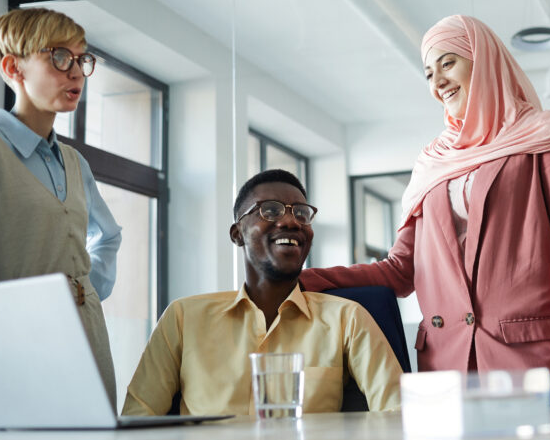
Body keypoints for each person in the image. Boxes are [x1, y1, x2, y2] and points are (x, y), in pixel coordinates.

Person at [300, 14, 550, 373]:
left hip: (532, 358)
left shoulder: (547, 138)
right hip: (444, 364)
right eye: (429, 73)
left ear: (483, 60)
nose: (438, 82)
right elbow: (398, 271)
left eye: (448, 63)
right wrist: (302, 280)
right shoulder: (433, 162)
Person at [0, 7, 123, 424]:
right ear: (13, 67)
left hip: (91, 344)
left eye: (81, 59)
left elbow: (108, 236)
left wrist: (84, 290)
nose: (76, 73)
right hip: (18, 348)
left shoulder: (74, 161)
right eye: (60, 57)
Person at [122, 169, 402, 416]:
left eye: (301, 213)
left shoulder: (347, 319)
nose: (291, 221)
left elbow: (398, 415)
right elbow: (138, 420)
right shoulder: (183, 318)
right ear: (237, 234)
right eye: (270, 210)